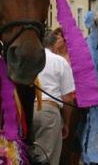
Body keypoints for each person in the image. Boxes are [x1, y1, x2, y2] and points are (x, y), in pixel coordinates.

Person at [33, 29, 75, 165]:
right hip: (49, 111)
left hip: (26, 111)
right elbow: (68, 98)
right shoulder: (60, 62)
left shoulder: (31, 59)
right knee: (47, 159)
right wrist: (67, 123)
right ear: (54, 44)